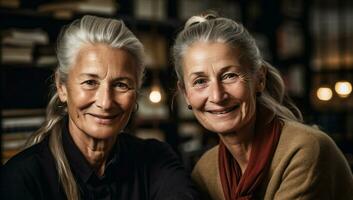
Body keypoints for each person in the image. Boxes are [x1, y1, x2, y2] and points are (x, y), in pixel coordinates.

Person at [0, 15, 199, 200]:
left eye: (121, 85)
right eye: (90, 82)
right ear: (62, 87)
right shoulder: (22, 176)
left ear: (136, 92)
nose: (105, 103)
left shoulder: (156, 158)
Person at [172, 12, 353, 200]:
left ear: (259, 78)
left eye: (230, 76)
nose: (217, 96)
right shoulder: (205, 169)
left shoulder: (305, 149)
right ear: (185, 93)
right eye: (200, 81)